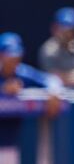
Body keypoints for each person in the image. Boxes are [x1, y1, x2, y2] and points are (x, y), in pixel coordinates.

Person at [0, 32, 63, 164]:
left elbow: (51, 80)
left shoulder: (23, 73)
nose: (14, 59)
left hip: (16, 144)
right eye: (9, 55)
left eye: (16, 55)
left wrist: (53, 91)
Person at [38, 6, 74, 88]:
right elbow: (51, 79)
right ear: (54, 28)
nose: (66, 34)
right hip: (60, 98)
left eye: (70, 30)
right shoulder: (48, 50)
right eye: (63, 29)